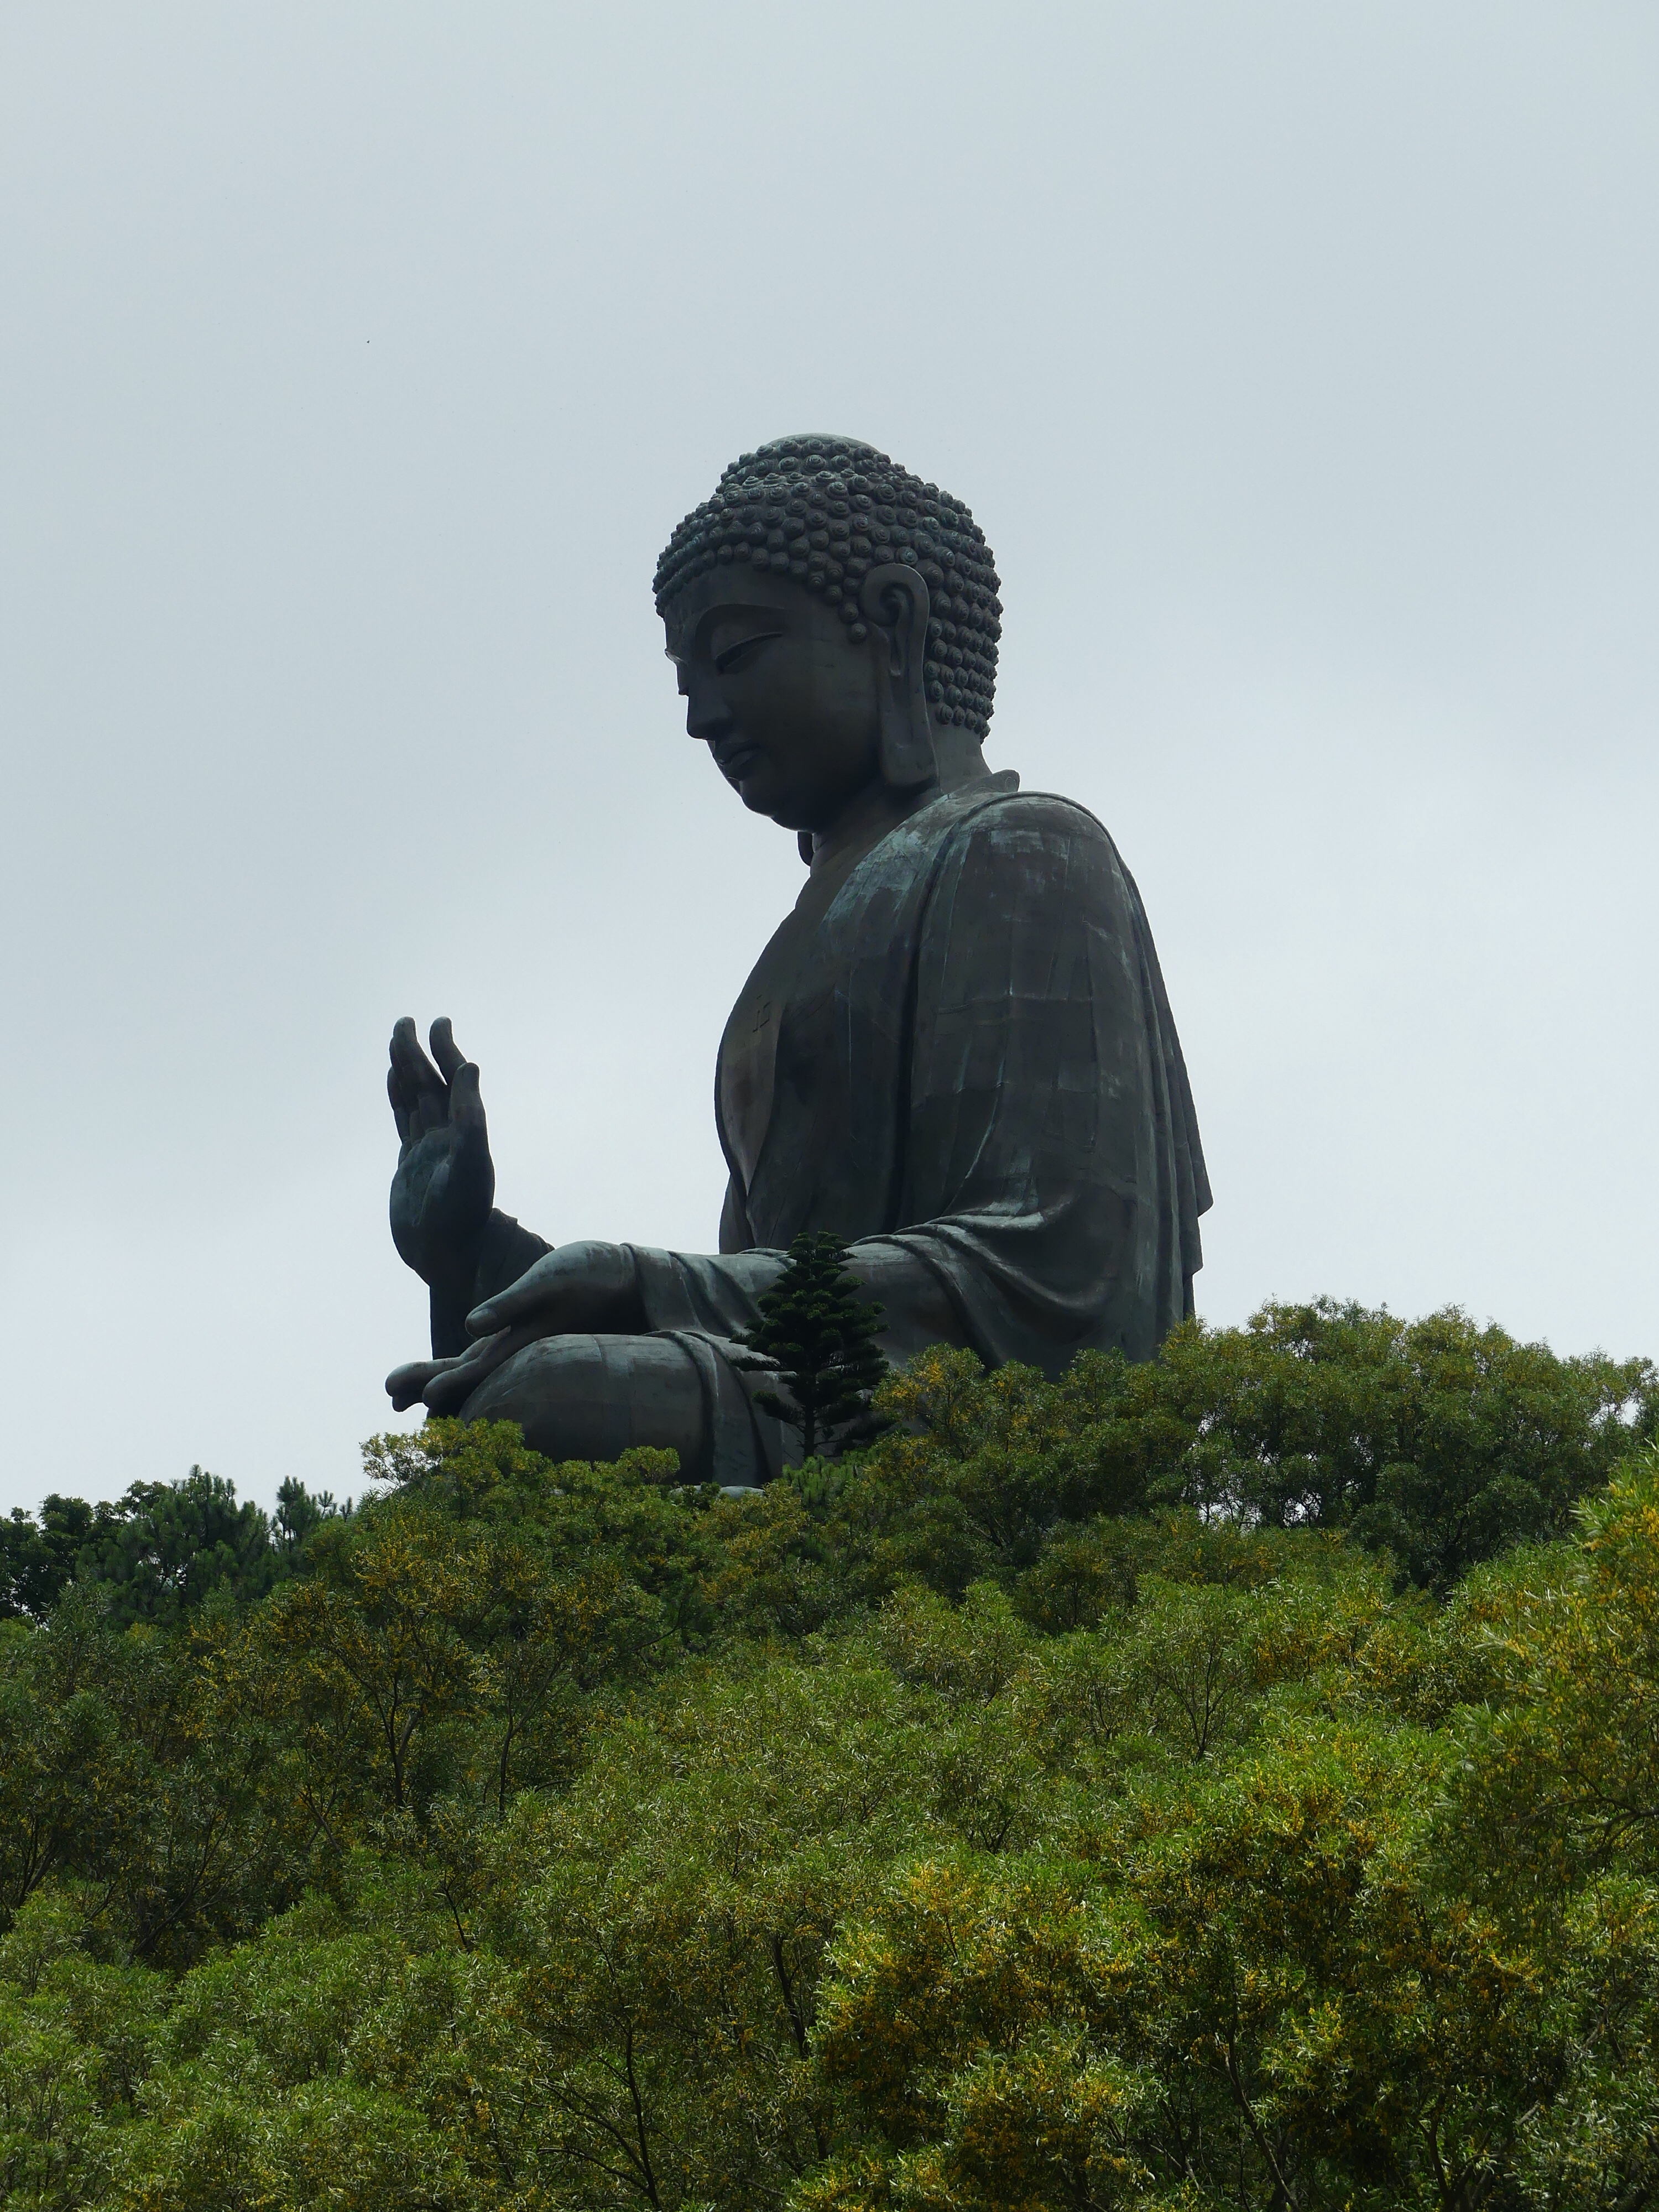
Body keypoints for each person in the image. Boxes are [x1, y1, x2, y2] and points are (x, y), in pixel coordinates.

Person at [384, 434, 1210, 1484]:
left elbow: (1064, 1274)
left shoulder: (1024, 852)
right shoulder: (809, 935)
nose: (702, 717)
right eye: (686, 680)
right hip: (821, 1388)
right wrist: (474, 1255)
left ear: (895, 625)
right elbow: (761, 1291)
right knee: (515, 1395)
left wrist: (649, 1284)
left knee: (543, 1405)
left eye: (735, 658)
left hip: (976, 1416)